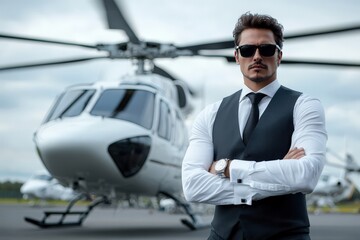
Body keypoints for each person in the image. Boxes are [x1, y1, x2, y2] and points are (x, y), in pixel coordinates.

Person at [182, 12, 327, 240]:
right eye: (248, 50)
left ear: (279, 56)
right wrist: (281, 175)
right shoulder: (210, 114)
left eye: (266, 49)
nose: (257, 56)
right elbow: (193, 186)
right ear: (237, 56)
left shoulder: (305, 105)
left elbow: (306, 175)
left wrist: (226, 169)